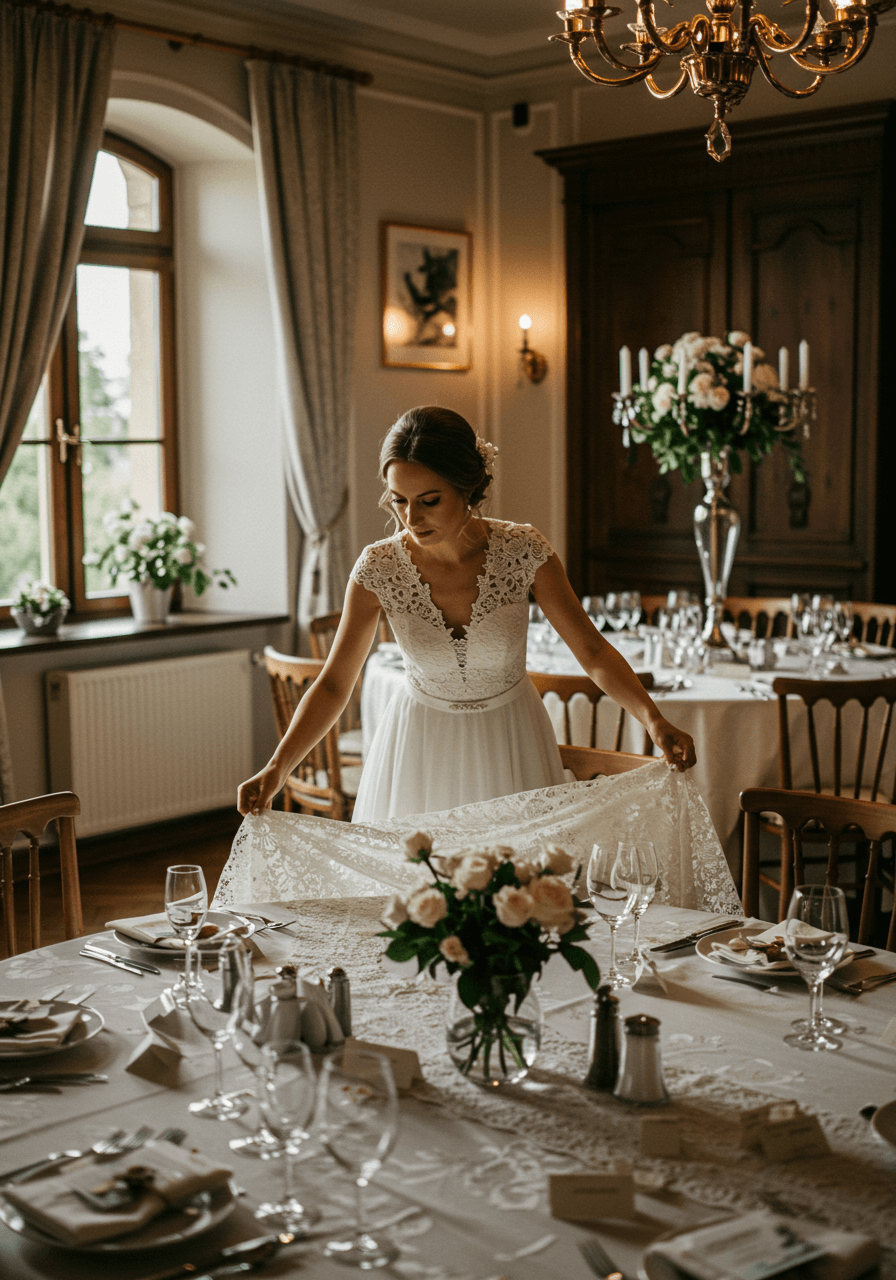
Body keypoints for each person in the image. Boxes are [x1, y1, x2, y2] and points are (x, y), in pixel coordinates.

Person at [237, 406, 696, 824]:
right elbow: (335, 684)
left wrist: (652, 718)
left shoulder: (524, 550)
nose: (410, 518)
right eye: (398, 500)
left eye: (429, 500)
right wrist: (277, 768)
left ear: (468, 488)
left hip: (511, 740)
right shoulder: (378, 569)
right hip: (419, 748)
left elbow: (592, 651)